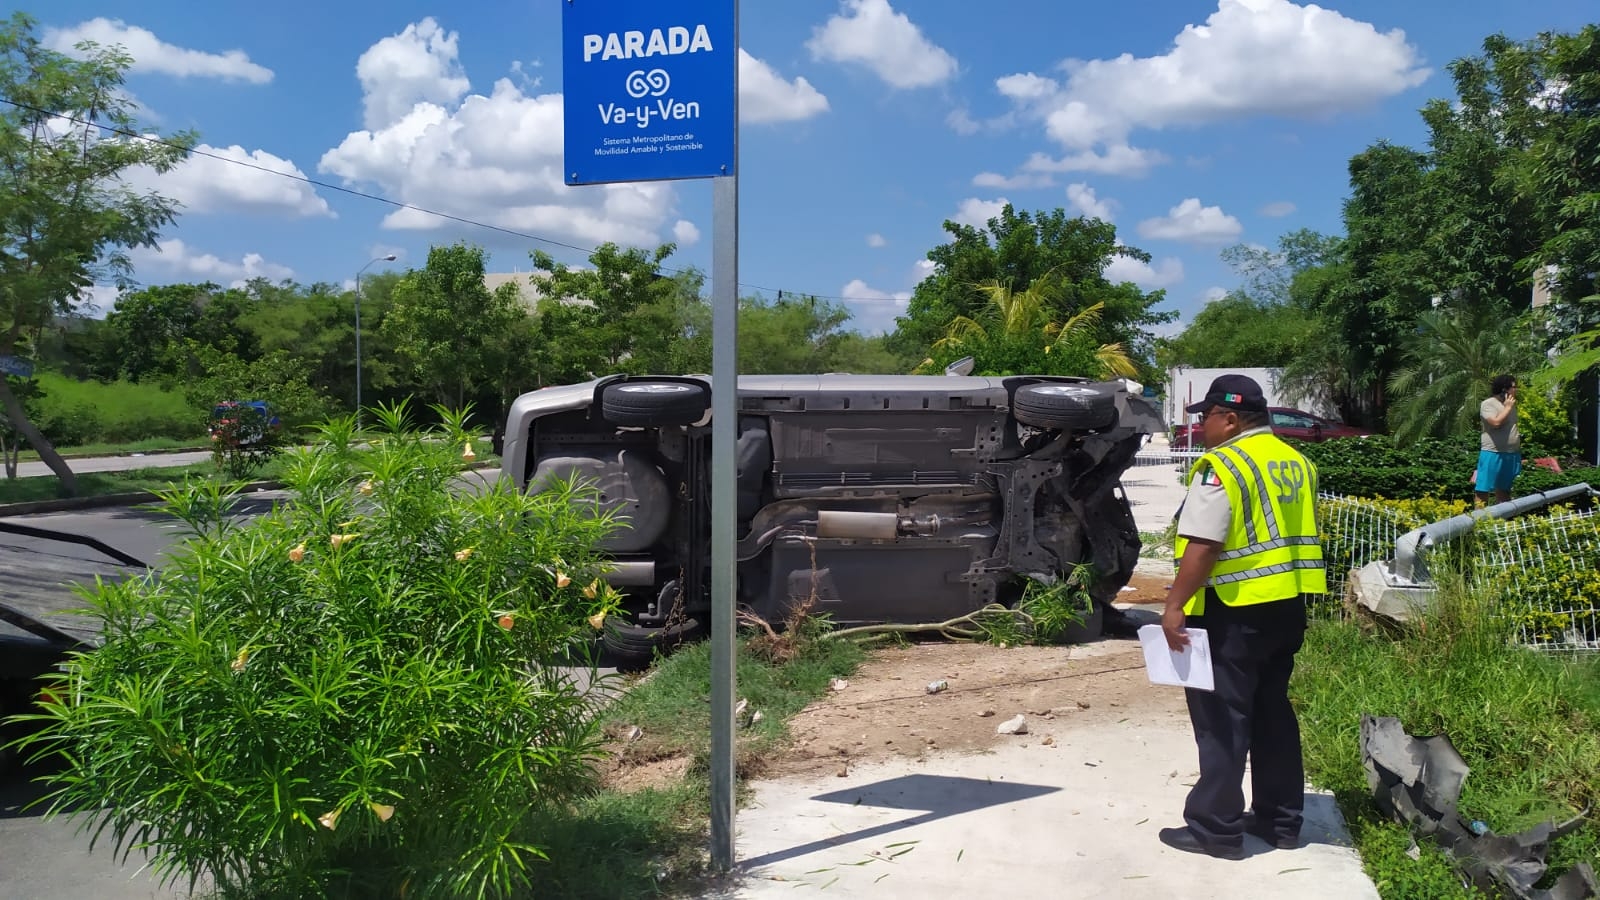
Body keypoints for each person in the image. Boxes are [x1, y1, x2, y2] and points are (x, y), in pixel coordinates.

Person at [1156, 374, 1327, 860]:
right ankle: (1281, 822)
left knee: (1222, 718)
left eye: (1206, 417)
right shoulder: (1296, 462)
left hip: (1233, 609)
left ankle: (1216, 829)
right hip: (1288, 604)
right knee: (1273, 712)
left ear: (1230, 419)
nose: (1202, 428)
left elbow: (1204, 544)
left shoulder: (1222, 466)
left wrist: (1175, 606)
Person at [1476, 374, 1521, 506]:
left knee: (1504, 490)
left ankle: (1503, 521)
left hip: (1511, 453)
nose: (1516, 390)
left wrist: (1508, 406)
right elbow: (1495, 423)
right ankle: (1480, 521)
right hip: (1493, 452)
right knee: (1483, 490)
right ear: (1504, 389)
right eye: (1514, 387)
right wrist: (1507, 408)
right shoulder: (1488, 404)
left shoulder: (1511, 404)